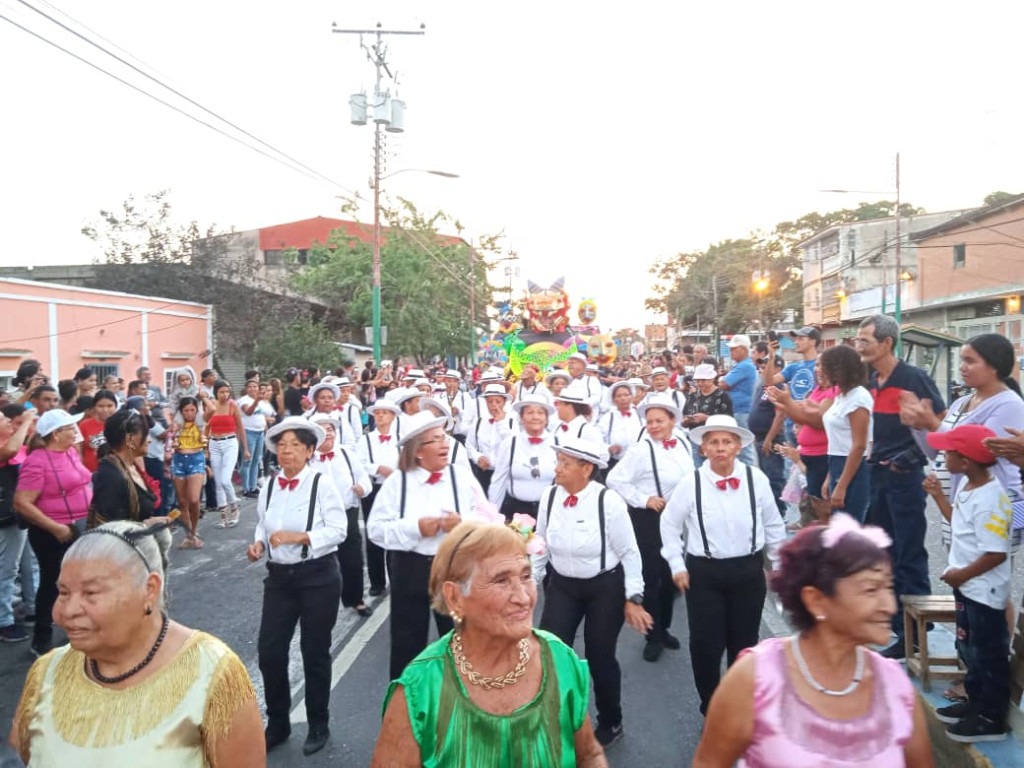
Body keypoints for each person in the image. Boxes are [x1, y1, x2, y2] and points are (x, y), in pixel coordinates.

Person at [10, 520, 264, 767]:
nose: (68, 610)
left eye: (91, 593)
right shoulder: (47, 673)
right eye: (63, 592)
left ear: (150, 589)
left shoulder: (212, 675)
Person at [691, 515, 934, 768]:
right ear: (816, 600)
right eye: (870, 590)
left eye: (888, 588)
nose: (888, 606)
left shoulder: (896, 687)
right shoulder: (755, 679)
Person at [371, 520, 609, 768]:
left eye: (526, 576)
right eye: (501, 581)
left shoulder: (559, 658)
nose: (523, 597)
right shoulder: (420, 690)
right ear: (455, 597)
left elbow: (589, 755)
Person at [659, 414, 786, 715]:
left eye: (727, 441)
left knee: (744, 645)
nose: (720, 448)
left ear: (738, 446)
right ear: (703, 449)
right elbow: (669, 524)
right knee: (706, 645)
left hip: (748, 571)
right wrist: (677, 564)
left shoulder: (757, 479)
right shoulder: (691, 483)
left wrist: (779, 565)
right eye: (713, 442)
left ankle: (741, 705)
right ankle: (711, 706)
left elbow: (773, 525)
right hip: (704, 573)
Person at [534, 436, 652, 747]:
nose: (557, 468)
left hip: (604, 587)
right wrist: (529, 582)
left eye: (565, 463)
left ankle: (611, 721)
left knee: (600, 655)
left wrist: (633, 597)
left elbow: (630, 552)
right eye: (558, 461)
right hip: (562, 585)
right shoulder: (548, 497)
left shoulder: (607, 501)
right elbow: (540, 544)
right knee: (551, 653)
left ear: (586, 469)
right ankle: (555, 719)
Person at [247, 417, 347, 756]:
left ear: (308, 451)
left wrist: (301, 536)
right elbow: (263, 522)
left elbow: (339, 529)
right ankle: (278, 722)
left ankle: (318, 721)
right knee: (270, 652)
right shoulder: (271, 484)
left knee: (314, 651)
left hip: (317, 576)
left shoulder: (321, 483)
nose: (286, 451)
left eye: (294, 446)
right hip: (279, 578)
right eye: (281, 446)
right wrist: (258, 543)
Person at [367, 411, 489, 680]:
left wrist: (462, 522)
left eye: (444, 437)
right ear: (419, 451)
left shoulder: (460, 476)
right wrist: (415, 528)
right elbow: (375, 530)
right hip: (410, 569)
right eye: (435, 440)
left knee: (462, 641)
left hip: (453, 568)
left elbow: (487, 518)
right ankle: (406, 709)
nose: (445, 444)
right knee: (406, 645)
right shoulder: (397, 482)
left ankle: (465, 706)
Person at [855, 314, 946, 658]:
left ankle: (917, 634)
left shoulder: (913, 379)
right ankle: (897, 626)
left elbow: (936, 424)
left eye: (865, 340)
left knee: (909, 553)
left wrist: (904, 458)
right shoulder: (871, 380)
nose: (859, 346)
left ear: (886, 343)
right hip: (877, 474)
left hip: (904, 477)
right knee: (884, 553)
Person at [922, 425, 1011, 742]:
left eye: (948, 452)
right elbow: (957, 522)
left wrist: (961, 575)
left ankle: (991, 718)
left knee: (988, 654)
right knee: (969, 649)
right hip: (968, 587)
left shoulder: (990, 499)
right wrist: (938, 496)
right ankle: (975, 703)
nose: (943, 456)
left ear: (967, 460)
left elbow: (996, 554)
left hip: (983, 592)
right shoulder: (969, 486)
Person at [607, 393, 694, 663]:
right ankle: (652, 636)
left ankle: (663, 628)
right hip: (649, 519)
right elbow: (614, 479)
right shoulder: (641, 450)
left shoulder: (682, 442)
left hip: (675, 518)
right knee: (652, 578)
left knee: (670, 579)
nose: (654, 426)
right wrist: (644, 499)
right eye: (650, 421)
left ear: (672, 421)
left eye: (659, 421)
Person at [13, 409, 92, 657]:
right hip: (53, 531)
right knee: (53, 582)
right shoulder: (37, 461)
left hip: (78, 525)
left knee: (78, 580)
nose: (75, 431)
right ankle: (41, 639)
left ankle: (74, 628)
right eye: (70, 428)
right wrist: (55, 527)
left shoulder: (69, 452)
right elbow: (22, 502)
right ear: (56, 434)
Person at [309, 413, 373, 618]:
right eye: (323, 430)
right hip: (320, 517)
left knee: (352, 558)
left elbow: (364, 477)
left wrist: (363, 487)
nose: (328, 434)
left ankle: (356, 599)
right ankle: (321, 601)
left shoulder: (346, 453)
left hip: (348, 512)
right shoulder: (308, 458)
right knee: (320, 558)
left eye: (331, 429)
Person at [819, 345, 873, 522]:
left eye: (825, 367)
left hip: (853, 468)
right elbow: (838, 441)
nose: (821, 371)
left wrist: (841, 486)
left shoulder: (858, 398)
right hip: (837, 463)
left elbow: (859, 446)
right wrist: (829, 477)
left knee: (848, 530)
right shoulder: (842, 396)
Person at [488, 393, 557, 520]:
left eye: (540, 413)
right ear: (521, 417)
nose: (535, 417)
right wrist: (492, 516)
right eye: (530, 412)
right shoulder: (510, 443)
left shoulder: (558, 444)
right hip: (515, 511)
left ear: (547, 418)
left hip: (549, 512)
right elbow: (498, 481)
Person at [357, 398, 401, 597]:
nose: (381, 416)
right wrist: (378, 468)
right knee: (373, 533)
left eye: (385, 412)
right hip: (374, 488)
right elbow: (360, 463)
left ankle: (396, 577)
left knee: (393, 532)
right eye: (378, 413)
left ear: (392, 416)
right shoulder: (366, 439)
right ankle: (377, 582)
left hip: (395, 489)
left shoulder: (402, 438)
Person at [0, 407, 35, 643]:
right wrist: (27, 420)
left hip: (16, 515)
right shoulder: (8, 447)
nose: (8, 421)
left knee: (25, 564)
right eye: (3, 419)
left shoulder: (16, 443)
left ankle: (30, 609)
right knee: (6, 569)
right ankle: (4, 621)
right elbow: (10, 450)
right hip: (5, 517)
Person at [89, 409, 158, 527]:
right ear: (130, 439)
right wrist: (147, 524)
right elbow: (112, 527)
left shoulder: (131, 466)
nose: (149, 440)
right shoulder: (111, 476)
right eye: (145, 435)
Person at [204, 380, 249, 529]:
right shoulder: (211, 405)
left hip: (230, 442)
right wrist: (205, 447)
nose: (225, 394)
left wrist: (246, 448)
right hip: (214, 442)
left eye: (227, 391)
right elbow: (206, 425)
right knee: (218, 482)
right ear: (216, 392)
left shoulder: (233, 405)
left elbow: (240, 427)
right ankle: (223, 515)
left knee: (225, 480)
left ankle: (234, 509)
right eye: (221, 391)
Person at [749, 355, 787, 514]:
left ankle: (779, 511)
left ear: (777, 369)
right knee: (764, 478)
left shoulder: (779, 387)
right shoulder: (762, 387)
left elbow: (780, 414)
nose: (762, 370)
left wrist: (769, 439)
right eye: (762, 367)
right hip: (759, 438)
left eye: (766, 367)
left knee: (774, 478)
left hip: (771, 439)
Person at [169, 397, 207, 549]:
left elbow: (211, 409)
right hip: (178, 460)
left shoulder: (200, 423)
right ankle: (189, 535)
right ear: (181, 411)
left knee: (194, 499)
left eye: (193, 410)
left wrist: (203, 396)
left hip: (196, 459)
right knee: (182, 502)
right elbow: (170, 444)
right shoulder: (176, 425)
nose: (189, 413)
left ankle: (194, 530)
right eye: (186, 410)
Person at [717, 335, 758, 466]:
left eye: (733, 349)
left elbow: (724, 384)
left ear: (742, 349)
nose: (731, 352)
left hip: (742, 411)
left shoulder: (745, 366)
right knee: (740, 447)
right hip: (738, 411)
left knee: (744, 447)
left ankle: (752, 477)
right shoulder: (742, 365)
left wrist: (721, 379)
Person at [681, 364, 733, 466]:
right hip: (696, 439)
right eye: (697, 380)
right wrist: (687, 420)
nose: (700, 383)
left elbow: (729, 420)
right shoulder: (693, 395)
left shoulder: (722, 396)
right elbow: (684, 417)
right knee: (698, 469)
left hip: (716, 440)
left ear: (712, 379)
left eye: (703, 380)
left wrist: (707, 418)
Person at [467, 384, 515, 494]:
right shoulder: (479, 421)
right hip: (483, 473)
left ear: (504, 402)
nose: (494, 405)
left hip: (505, 475)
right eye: (490, 402)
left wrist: (501, 424)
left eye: (498, 402)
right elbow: (469, 445)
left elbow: (513, 446)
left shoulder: (511, 422)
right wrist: (478, 457)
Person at [237, 379, 274, 498]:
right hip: (249, 432)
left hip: (260, 432)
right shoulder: (244, 400)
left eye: (255, 386)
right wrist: (257, 400)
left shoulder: (261, 401)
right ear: (246, 389)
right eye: (250, 387)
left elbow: (265, 415)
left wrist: (266, 428)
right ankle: (246, 488)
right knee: (247, 460)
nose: (253, 389)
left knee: (256, 461)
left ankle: (253, 486)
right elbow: (248, 412)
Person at [598, 381, 642, 470]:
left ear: (632, 396)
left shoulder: (639, 415)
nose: (623, 398)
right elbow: (598, 440)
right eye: (619, 396)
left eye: (626, 395)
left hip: (639, 461)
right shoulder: (607, 418)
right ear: (613, 399)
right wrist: (609, 448)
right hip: (617, 463)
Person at [77, 389, 118, 473]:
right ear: (94, 407)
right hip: (91, 473)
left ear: (116, 406)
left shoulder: (122, 424)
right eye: (101, 406)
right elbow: (79, 452)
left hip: (117, 472)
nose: (105, 410)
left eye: (110, 406)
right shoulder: (84, 425)